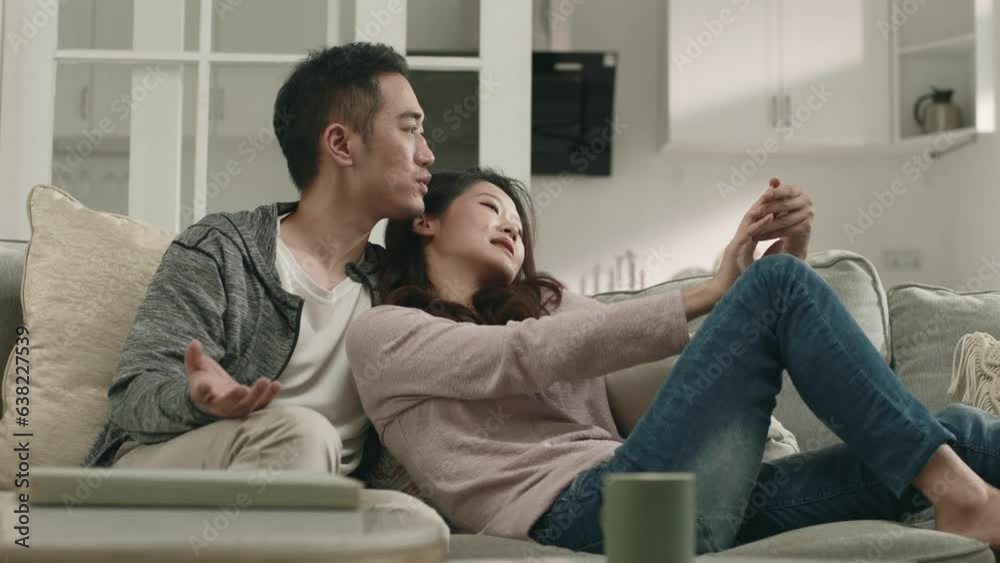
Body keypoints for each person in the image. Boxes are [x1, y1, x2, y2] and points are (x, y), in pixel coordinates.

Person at [345, 167, 1000, 554]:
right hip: (591, 512)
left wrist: (784, 260)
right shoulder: (385, 333)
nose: (513, 225)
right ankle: (965, 499)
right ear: (425, 223)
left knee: (964, 431)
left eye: (519, 219)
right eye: (492, 207)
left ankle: (962, 488)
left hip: (685, 497)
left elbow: (720, 361)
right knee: (775, 289)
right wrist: (724, 288)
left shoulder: (551, 304)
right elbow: (518, 357)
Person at [81, 42, 434, 480]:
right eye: (410, 129)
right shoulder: (223, 251)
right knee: (304, 436)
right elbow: (134, 395)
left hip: (321, 502)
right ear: (341, 144)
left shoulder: (394, 285)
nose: (427, 153)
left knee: (411, 516)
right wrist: (196, 400)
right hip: (171, 477)